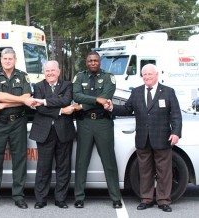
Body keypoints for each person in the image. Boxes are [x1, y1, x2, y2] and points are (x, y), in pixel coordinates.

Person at [105, 64, 182, 212]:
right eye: (144, 74)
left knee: (164, 172)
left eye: (149, 74)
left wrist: (176, 133)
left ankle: (163, 201)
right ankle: (146, 199)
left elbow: (176, 115)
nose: (146, 77)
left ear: (156, 74)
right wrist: (112, 107)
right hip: (142, 139)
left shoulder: (168, 92)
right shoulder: (137, 92)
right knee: (144, 171)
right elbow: (127, 109)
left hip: (162, 138)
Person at [72, 51, 122, 209]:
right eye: (90, 60)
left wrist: (82, 105)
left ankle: (116, 197)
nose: (92, 63)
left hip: (103, 124)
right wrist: (96, 99)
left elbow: (106, 96)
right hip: (84, 123)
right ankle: (79, 197)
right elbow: (76, 95)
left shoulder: (108, 77)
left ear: (100, 62)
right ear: (86, 62)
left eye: (95, 60)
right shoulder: (80, 77)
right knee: (81, 161)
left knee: (109, 161)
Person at [0, 48, 33, 209]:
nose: (7, 61)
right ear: (1, 60)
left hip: (18, 122)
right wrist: (20, 100)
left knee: (19, 160)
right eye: (5, 58)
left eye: (10, 59)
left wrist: (4, 104)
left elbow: (28, 98)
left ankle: (19, 196)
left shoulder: (23, 76)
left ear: (15, 60)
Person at [29, 60, 76, 209]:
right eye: (47, 71)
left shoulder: (67, 85)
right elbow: (40, 109)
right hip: (44, 132)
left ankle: (60, 199)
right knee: (43, 167)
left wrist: (44, 101)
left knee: (63, 166)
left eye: (53, 70)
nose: (50, 73)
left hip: (64, 131)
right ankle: (41, 199)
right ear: (44, 73)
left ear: (58, 72)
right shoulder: (38, 86)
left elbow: (66, 100)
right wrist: (61, 110)